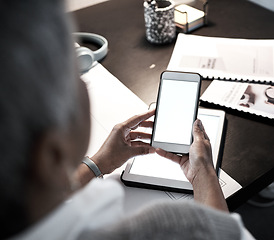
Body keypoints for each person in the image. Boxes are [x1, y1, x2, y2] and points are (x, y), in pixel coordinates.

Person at [0, 0, 254, 239]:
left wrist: (99, 162)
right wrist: (203, 173)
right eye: (74, 73)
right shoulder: (171, 228)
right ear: (53, 154)